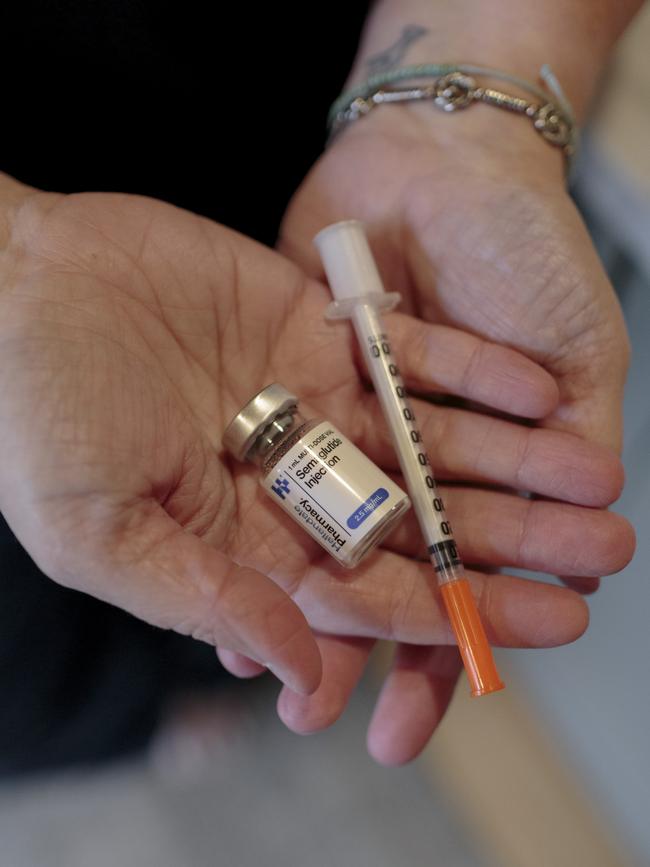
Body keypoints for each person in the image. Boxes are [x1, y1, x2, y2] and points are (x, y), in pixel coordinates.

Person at [0, 0, 639, 771]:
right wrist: (14, 266)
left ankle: (195, 695)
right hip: (93, 351)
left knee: (247, 608)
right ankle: (171, 710)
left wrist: (460, 112)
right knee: (73, 667)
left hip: (303, 119)